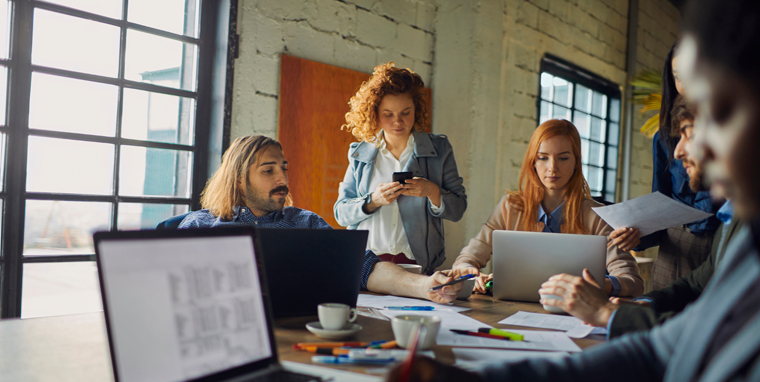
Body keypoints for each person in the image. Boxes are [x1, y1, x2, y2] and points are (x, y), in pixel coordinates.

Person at [379, 0, 760, 382]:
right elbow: (662, 354)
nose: (686, 149)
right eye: (542, 158)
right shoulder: (746, 245)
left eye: (721, 111)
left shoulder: (601, 213)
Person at [541, 96, 742, 339]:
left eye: (690, 135)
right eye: (542, 157)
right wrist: (646, 303)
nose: (677, 152)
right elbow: (696, 283)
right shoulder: (733, 215)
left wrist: (607, 313)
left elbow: (718, 335)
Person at [179, 135, 461, 304]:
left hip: (300, 338)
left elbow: (363, 266)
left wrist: (426, 286)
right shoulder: (199, 226)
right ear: (239, 181)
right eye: (268, 171)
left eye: (284, 168)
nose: (283, 179)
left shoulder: (304, 223)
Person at [452, 119, 643, 297]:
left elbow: (633, 282)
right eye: (543, 158)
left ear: (576, 162)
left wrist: (597, 285)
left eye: (563, 158)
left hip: (575, 317)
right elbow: (467, 259)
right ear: (533, 162)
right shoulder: (509, 207)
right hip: (510, 312)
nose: (552, 168)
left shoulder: (598, 217)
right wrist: (471, 273)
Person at [609, 40, 723, 289]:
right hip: (676, 249)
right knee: (662, 316)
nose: (685, 84)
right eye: (678, 76)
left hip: (725, 243)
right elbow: (660, 203)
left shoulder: (733, 131)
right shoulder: (665, 138)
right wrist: (636, 235)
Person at [334, 62, 466, 275]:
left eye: (406, 112)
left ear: (417, 110)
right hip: (365, 265)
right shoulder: (360, 153)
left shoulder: (439, 150)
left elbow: (458, 209)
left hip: (417, 267)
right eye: (388, 114)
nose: (398, 122)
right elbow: (341, 214)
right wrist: (373, 200)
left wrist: (431, 191)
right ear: (374, 113)